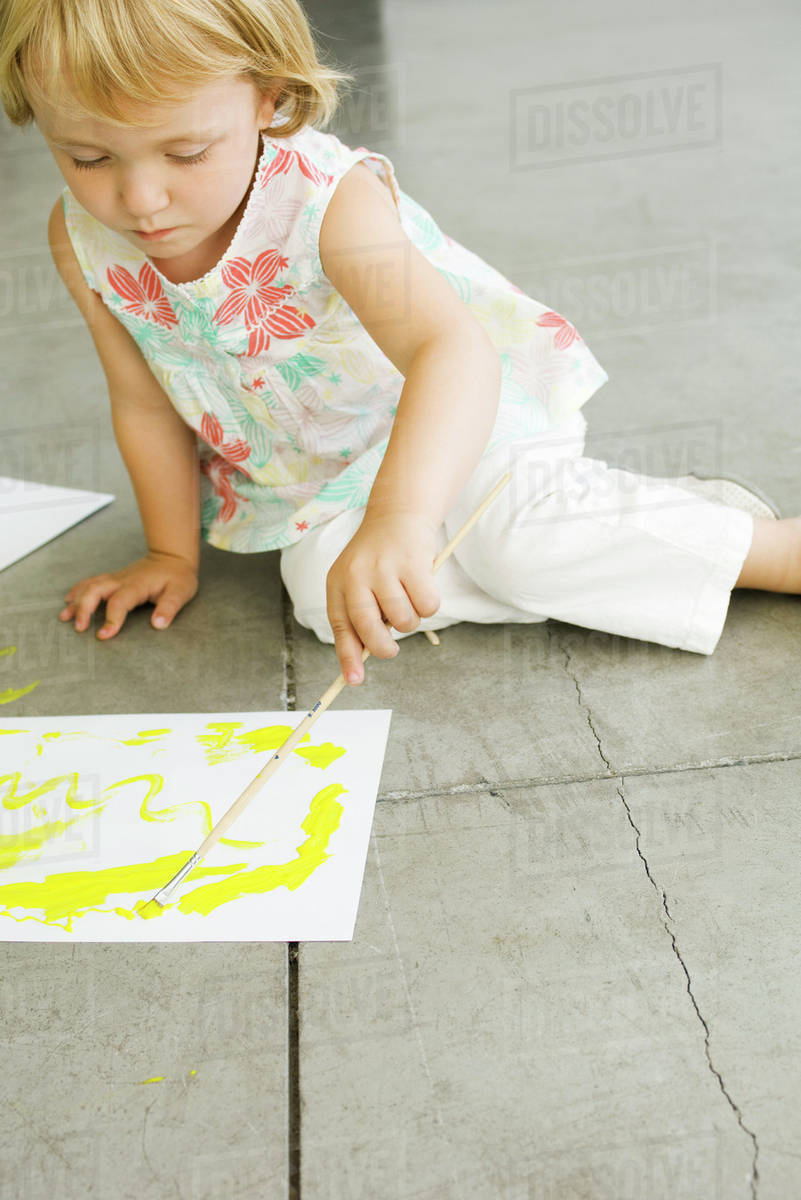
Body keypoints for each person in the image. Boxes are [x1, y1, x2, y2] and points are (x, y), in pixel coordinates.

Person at [1, 0, 798, 686]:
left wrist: (403, 516)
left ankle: (764, 549)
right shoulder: (82, 241)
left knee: (513, 547)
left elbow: (448, 353)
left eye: (185, 153)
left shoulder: (326, 204)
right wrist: (168, 554)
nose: (139, 199)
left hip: (467, 416)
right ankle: (624, 526)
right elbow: (142, 401)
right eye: (87, 157)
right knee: (324, 599)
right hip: (331, 472)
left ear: (267, 97)